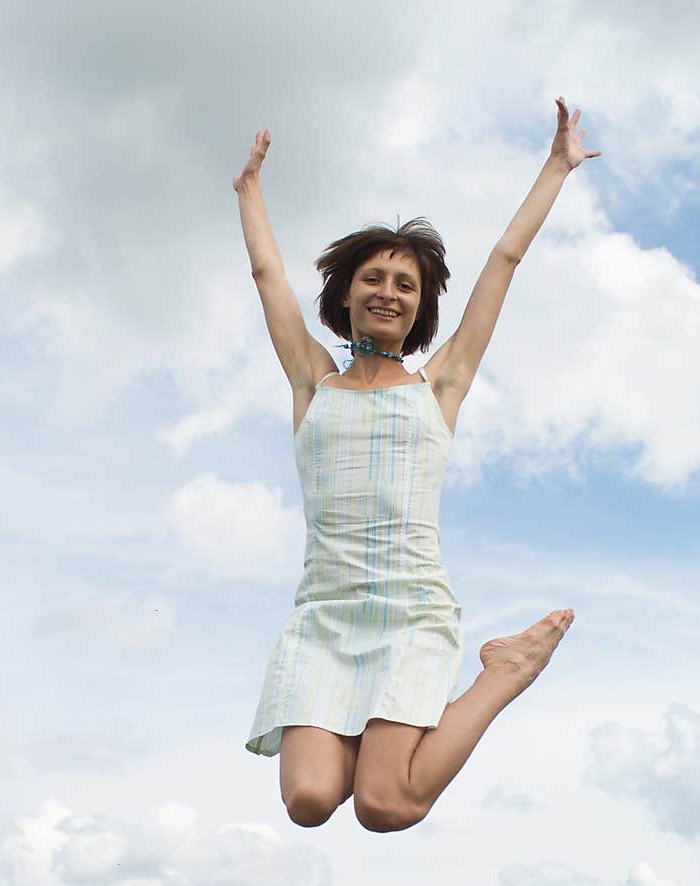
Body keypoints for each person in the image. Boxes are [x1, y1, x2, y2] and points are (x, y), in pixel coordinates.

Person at [234, 99, 600, 834]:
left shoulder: (442, 384)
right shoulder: (312, 381)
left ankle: (505, 673)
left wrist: (556, 168)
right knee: (307, 800)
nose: (388, 292)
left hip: (409, 616)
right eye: (373, 278)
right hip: (324, 619)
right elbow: (267, 273)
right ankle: (370, 742)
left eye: (406, 285)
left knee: (386, 804)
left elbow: (504, 259)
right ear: (346, 294)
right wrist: (249, 191)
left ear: (420, 306)